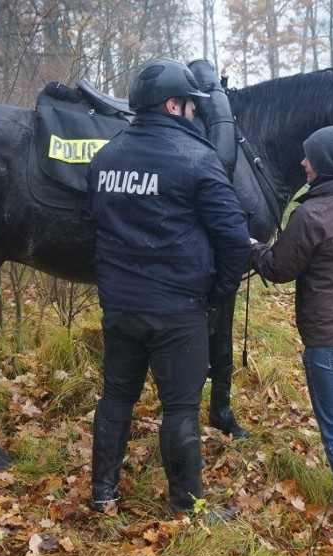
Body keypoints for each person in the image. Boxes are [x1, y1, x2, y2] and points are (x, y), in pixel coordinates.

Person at [83, 57, 250, 516]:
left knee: (116, 396)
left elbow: (92, 223)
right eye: (192, 105)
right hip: (178, 310)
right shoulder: (198, 160)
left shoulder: (106, 158)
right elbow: (235, 240)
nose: (196, 113)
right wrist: (216, 297)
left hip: (120, 306)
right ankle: (188, 506)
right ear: (175, 105)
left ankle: (103, 496)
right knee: (180, 407)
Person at [249, 126, 333, 539]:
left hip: (331, 341)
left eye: (309, 157)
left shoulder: (312, 215)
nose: (303, 163)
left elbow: (278, 268)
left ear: (325, 165)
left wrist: (251, 245)